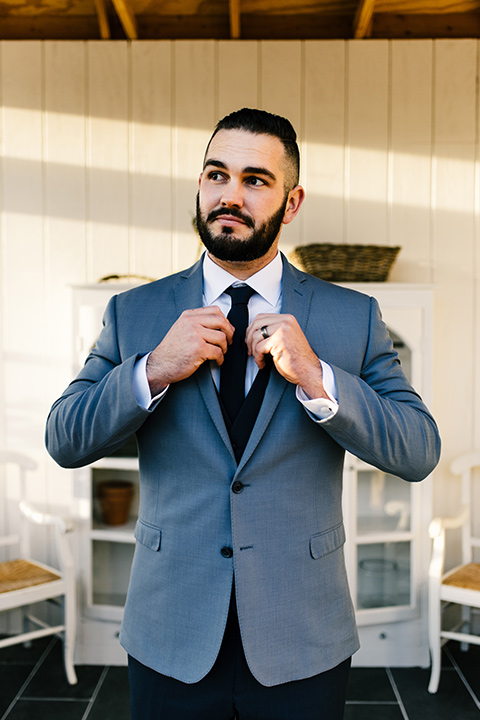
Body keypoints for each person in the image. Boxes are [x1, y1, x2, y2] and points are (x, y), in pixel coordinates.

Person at [46, 108, 441, 720]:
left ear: (292, 202)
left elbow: (418, 450)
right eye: (216, 175)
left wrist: (318, 377)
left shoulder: (351, 316)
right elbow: (65, 438)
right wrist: (150, 369)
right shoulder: (135, 313)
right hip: (170, 631)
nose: (230, 195)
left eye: (256, 180)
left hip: (301, 636)